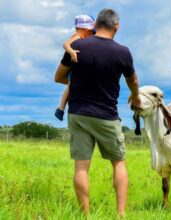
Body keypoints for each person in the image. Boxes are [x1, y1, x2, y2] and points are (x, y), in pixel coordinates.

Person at [54, 8, 141, 217]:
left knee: (81, 167)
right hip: (107, 116)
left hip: (78, 113)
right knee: (118, 162)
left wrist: (80, 82)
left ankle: (86, 215)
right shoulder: (123, 52)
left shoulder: (77, 45)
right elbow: (133, 80)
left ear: (95, 25)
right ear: (116, 26)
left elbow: (59, 77)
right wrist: (135, 95)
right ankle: (121, 215)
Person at [55, 14, 95, 121]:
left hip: (77, 69)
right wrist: (71, 51)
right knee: (70, 86)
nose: (92, 35)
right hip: (74, 69)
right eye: (92, 32)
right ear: (85, 30)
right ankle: (61, 108)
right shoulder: (77, 37)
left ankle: (61, 109)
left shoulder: (82, 38)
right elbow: (65, 44)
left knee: (70, 86)